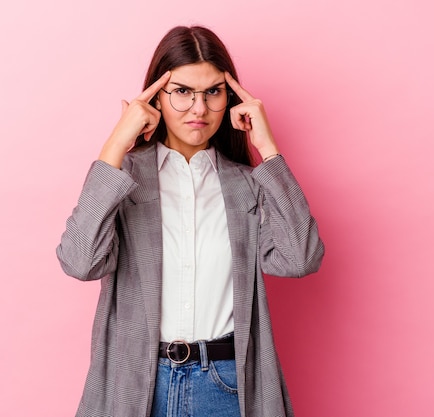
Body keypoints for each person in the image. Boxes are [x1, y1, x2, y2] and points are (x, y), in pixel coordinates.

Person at [56, 25, 324, 417]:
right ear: (155, 98)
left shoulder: (247, 185)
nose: (199, 108)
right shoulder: (123, 179)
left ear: (230, 99)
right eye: (182, 91)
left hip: (227, 387)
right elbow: (80, 261)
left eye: (213, 91)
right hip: (137, 387)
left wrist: (267, 149)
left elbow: (301, 258)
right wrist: (115, 144)